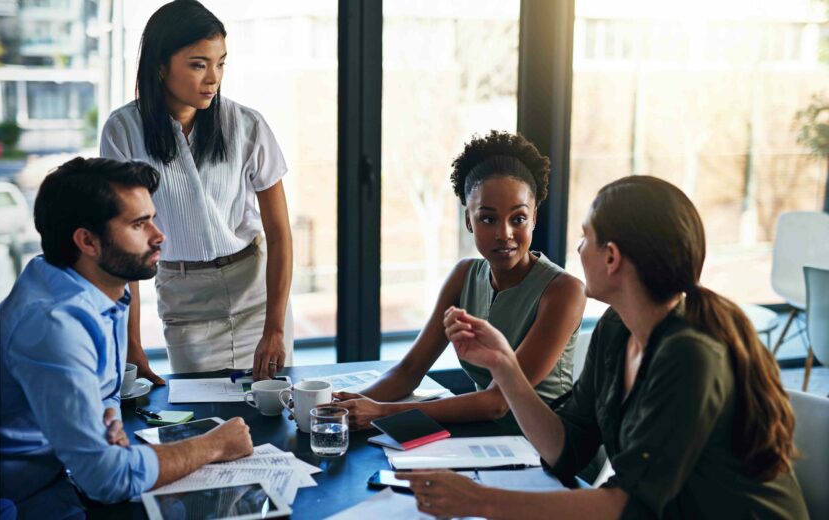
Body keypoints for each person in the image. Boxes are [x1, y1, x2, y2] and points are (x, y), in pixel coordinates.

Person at [400, 175, 808, 519]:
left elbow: (626, 505)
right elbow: (568, 448)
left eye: (585, 238)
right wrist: (505, 366)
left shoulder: (690, 356)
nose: (578, 250)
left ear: (611, 257)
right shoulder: (616, 328)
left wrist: (479, 501)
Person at [0, 158, 254, 516]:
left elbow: (107, 393)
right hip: (24, 497)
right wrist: (214, 446)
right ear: (87, 241)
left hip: (64, 474)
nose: (158, 235)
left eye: (152, 218)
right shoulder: (55, 324)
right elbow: (106, 479)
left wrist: (107, 421)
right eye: (139, 224)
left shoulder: (102, 287)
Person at [334, 130, 585, 430]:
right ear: (469, 220)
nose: (504, 233)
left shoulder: (564, 291)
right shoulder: (464, 276)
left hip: (552, 453)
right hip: (484, 440)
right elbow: (410, 370)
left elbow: (497, 402)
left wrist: (381, 413)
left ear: (534, 218)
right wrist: (338, 405)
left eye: (517, 218)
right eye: (488, 219)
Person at [100, 0, 293, 382]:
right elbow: (126, 245)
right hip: (185, 297)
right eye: (198, 64)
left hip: (255, 292)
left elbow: (280, 232)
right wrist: (132, 344)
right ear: (159, 66)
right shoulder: (122, 132)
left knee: (272, 414)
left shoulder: (247, 125)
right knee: (205, 418)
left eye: (221, 63)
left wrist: (274, 327)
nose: (213, 78)